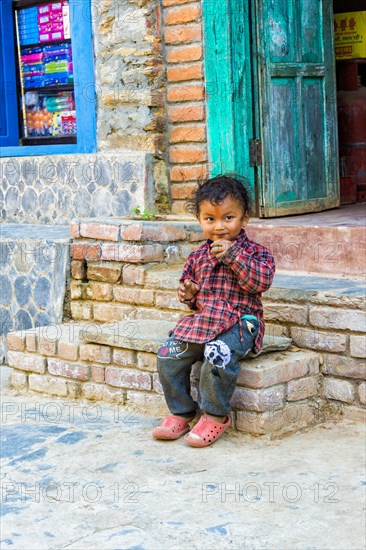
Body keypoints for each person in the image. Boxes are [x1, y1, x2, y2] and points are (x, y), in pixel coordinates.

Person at [152, 174, 275, 447]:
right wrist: (188, 294)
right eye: (210, 219)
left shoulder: (257, 253)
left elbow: (260, 282)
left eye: (228, 218)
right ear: (199, 220)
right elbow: (190, 293)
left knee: (217, 353)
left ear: (244, 218)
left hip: (241, 323)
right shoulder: (197, 256)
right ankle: (182, 411)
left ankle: (215, 415)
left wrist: (233, 256)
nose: (219, 226)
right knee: (167, 354)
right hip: (205, 321)